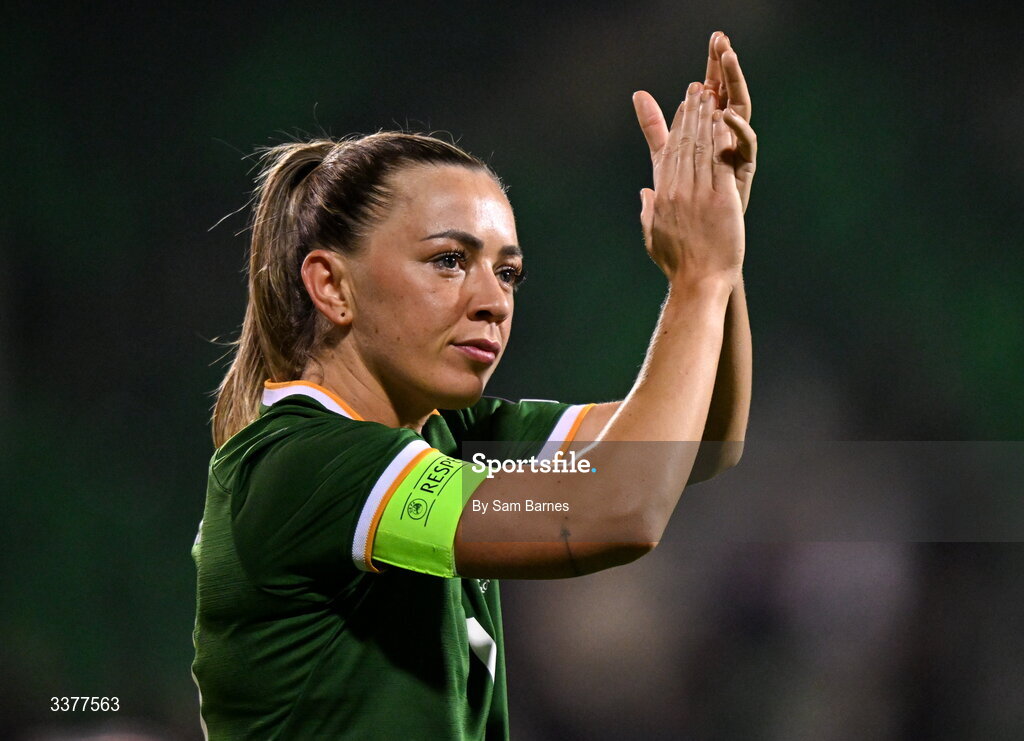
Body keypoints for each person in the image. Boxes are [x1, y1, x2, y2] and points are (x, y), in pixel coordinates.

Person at [191, 30, 756, 740]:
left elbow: (702, 441)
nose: (494, 299)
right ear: (332, 285)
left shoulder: (456, 437)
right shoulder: (300, 465)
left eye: (508, 271)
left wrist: (722, 260)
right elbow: (617, 512)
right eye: (451, 259)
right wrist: (697, 278)